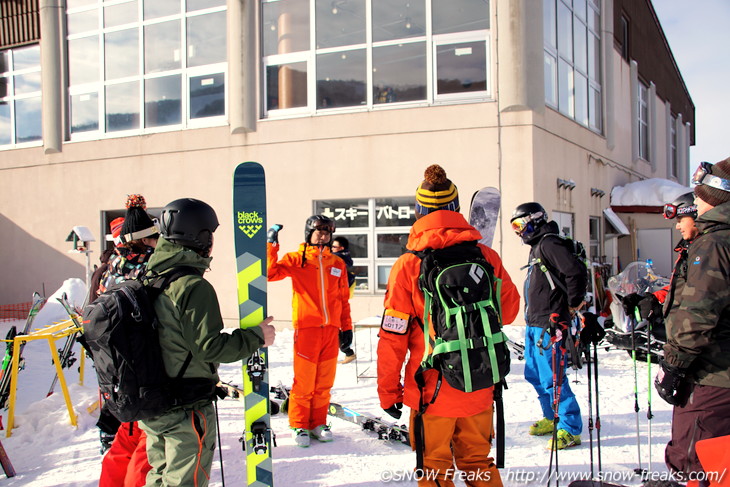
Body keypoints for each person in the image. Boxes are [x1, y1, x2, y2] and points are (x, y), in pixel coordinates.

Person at [378, 164, 520, 487]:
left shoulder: (407, 266)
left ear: (418, 211)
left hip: (432, 392)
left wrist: (389, 392)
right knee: (477, 463)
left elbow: (393, 338)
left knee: (434, 469)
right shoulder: (486, 256)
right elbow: (509, 311)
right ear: (457, 210)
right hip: (480, 383)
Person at [138, 198, 275, 487]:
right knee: (184, 482)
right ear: (199, 236)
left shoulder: (152, 276)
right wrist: (256, 337)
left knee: (160, 478)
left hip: (154, 404)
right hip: (185, 407)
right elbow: (209, 347)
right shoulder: (192, 286)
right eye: (209, 233)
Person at [655, 158, 730, 484]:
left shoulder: (714, 244)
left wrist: (673, 365)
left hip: (712, 375)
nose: (694, 203)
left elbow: (700, 314)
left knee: (698, 459)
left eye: (700, 195)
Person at [266, 216, 352, 447]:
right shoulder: (297, 259)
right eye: (318, 230)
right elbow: (270, 272)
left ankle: (318, 423)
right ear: (308, 232)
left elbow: (343, 300)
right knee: (304, 383)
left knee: (324, 383)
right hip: (307, 329)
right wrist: (271, 245)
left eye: (327, 230)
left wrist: (347, 329)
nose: (323, 234)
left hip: (331, 330)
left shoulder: (337, 264)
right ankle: (299, 424)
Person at [510, 202, 587, 450]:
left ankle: (570, 428)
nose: (518, 232)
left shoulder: (549, 244)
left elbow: (575, 272)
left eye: (519, 225)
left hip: (549, 323)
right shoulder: (537, 247)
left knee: (552, 377)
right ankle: (552, 416)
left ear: (534, 220)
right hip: (534, 322)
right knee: (533, 374)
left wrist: (573, 304)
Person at [96, 195, 160, 487]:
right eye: (155, 237)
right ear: (143, 240)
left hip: (116, 367)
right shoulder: (149, 269)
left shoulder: (112, 269)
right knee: (149, 445)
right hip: (145, 365)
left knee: (126, 438)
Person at [621, 191, 700, 339]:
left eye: (681, 220)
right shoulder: (691, 249)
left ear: (696, 217)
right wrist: (651, 299)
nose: (677, 226)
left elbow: (702, 297)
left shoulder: (712, 249)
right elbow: (681, 286)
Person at [331, 236, 357, 364]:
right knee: (341, 327)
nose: (331, 249)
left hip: (337, 297)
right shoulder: (346, 259)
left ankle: (348, 351)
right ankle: (348, 351)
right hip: (341, 297)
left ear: (341, 248)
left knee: (337, 327)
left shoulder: (338, 260)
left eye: (334, 247)